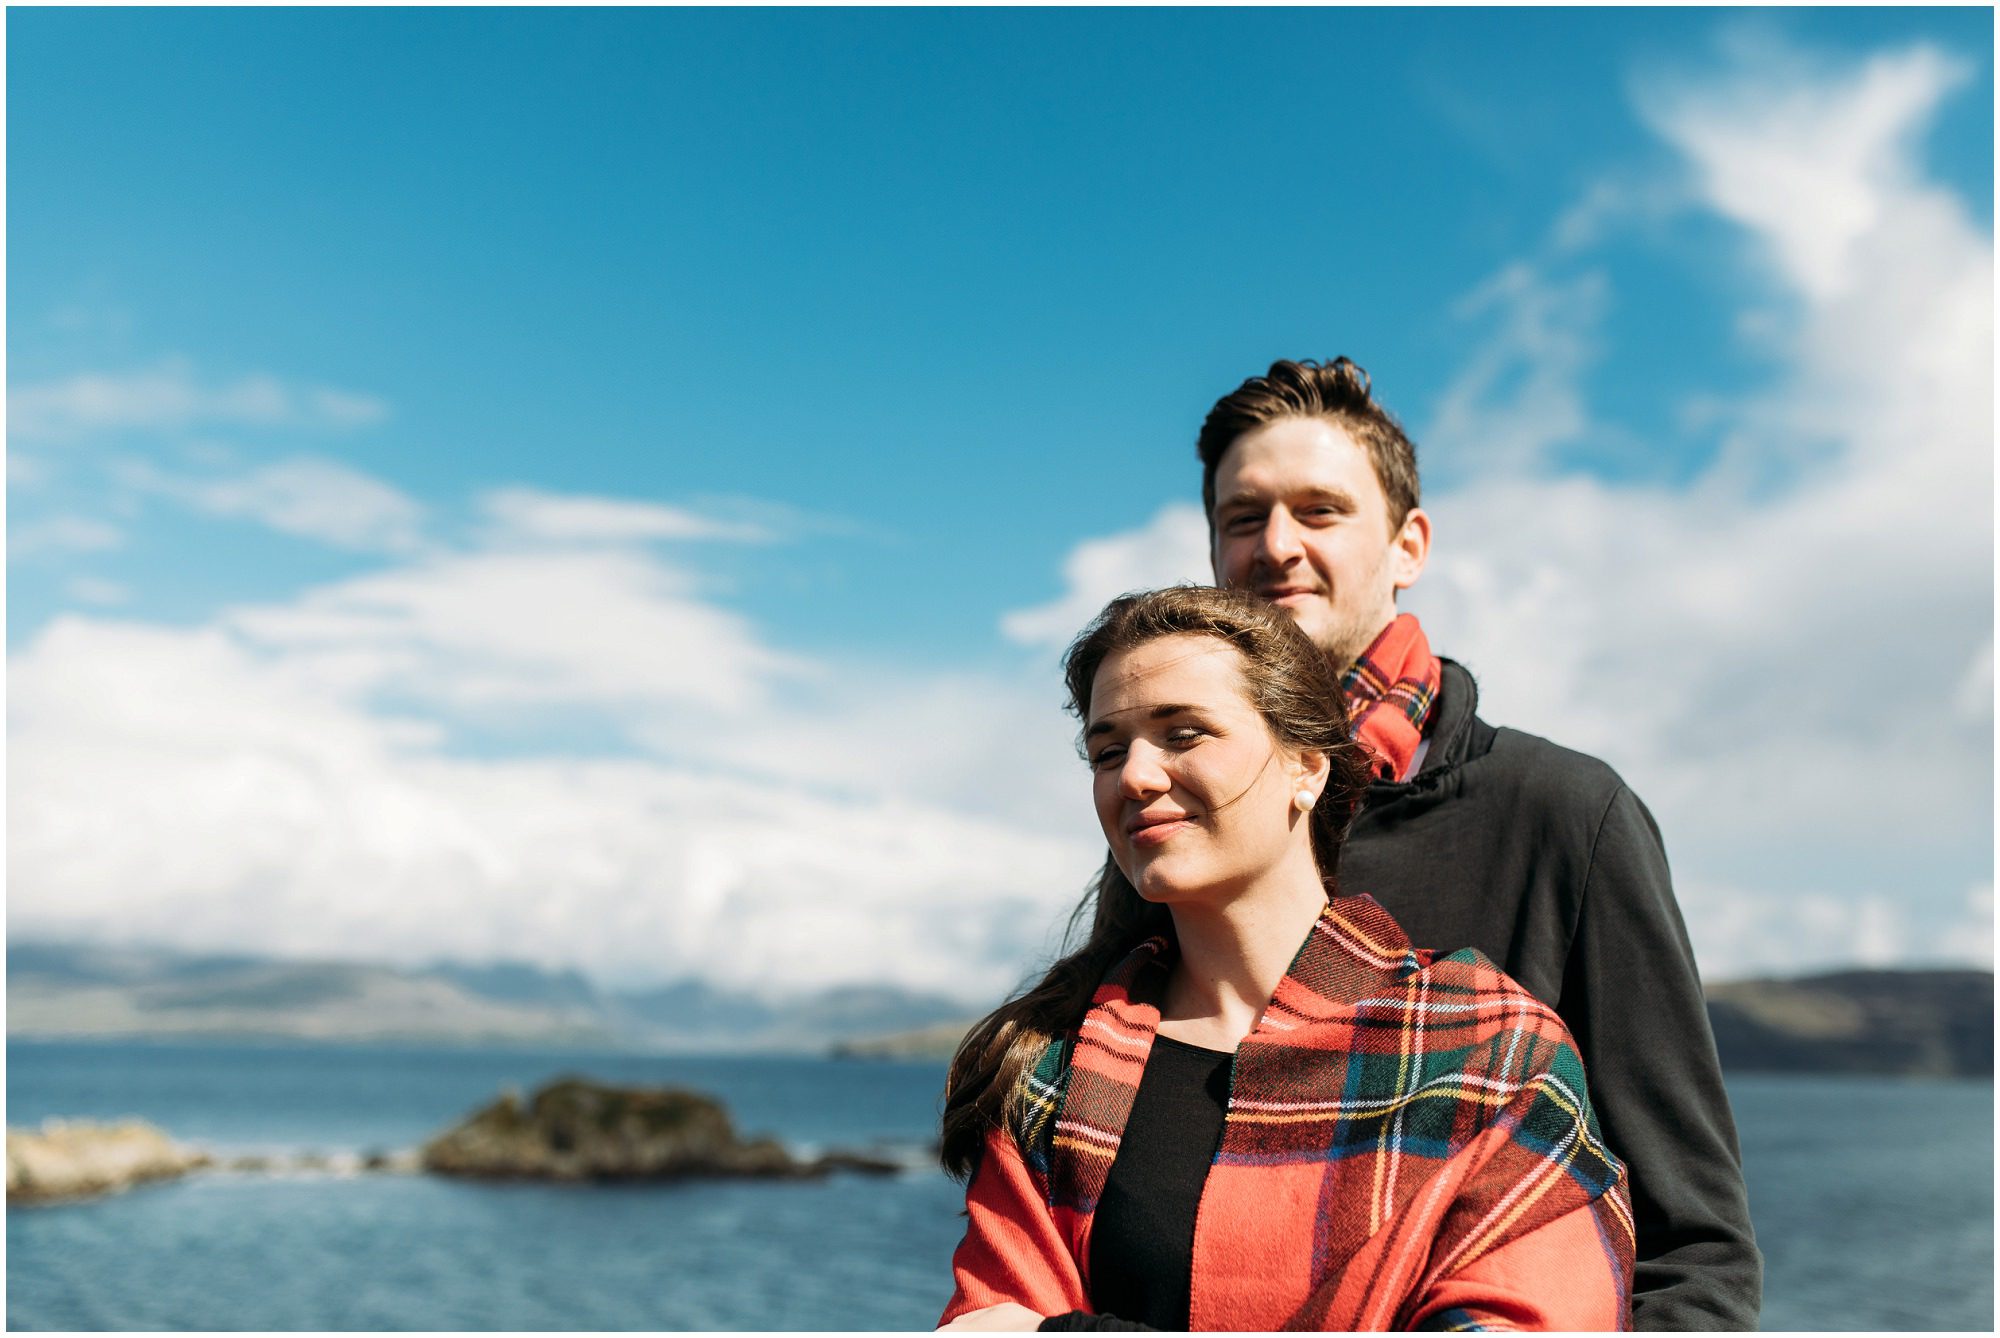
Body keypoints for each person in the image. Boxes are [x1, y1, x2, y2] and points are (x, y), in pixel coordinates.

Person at [1195, 358, 1760, 1329]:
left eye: (1319, 511)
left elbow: (1691, 1249)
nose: (1276, 545)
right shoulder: (1182, 823)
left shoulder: (1565, 817)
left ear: (1407, 544)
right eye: (1243, 518)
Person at [938, 586, 1633, 1332]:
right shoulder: (1051, 1071)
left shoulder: (1493, 1052)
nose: (1135, 775)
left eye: (1184, 733)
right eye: (1110, 750)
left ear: (1306, 767)